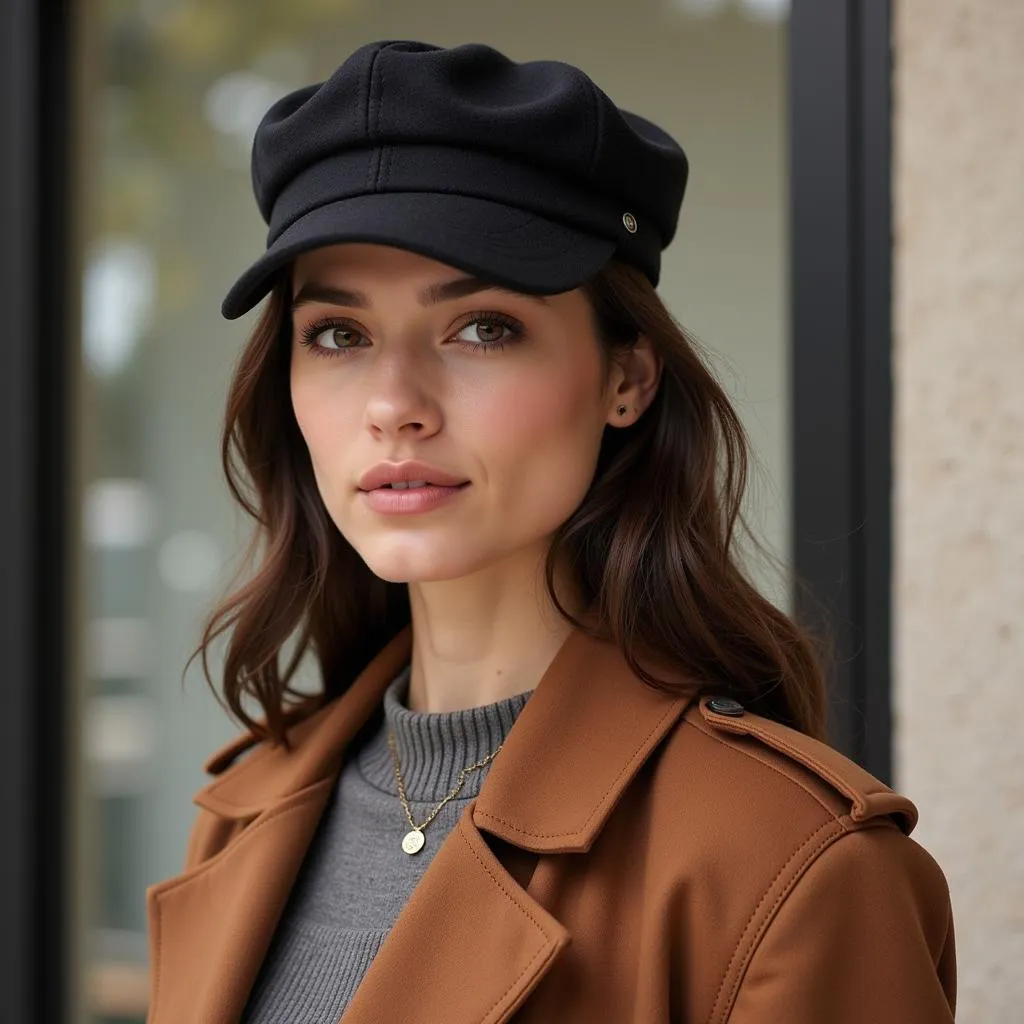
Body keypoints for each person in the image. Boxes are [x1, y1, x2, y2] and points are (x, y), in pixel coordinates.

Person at [144, 40, 956, 1024]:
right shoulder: (244, 814)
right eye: (339, 334)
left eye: (482, 326)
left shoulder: (790, 868)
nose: (393, 404)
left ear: (627, 379)